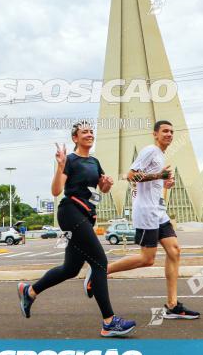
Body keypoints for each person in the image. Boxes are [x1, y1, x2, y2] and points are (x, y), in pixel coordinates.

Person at [17, 121, 137, 337]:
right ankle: (109, 322)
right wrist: (61, 167)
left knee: (70, 269)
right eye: (84, 132)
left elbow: (101, 189)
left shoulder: (94, 161)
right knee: (100, 263)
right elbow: (55, 191)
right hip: (70, 212)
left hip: (85, 214)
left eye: (91, 131)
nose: (89, 134)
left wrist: (107, 183)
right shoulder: (70, 160)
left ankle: (30, 291)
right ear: (75, 138)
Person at [88, 120, 199, 320]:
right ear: (155, 134)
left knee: (174, 251)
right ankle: (100, 272)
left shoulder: (160, 155)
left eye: (172, 132)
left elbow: (151, 181)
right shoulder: (150, 150)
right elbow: (130, 176)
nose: (169, 134)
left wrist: (165, 182)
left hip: (159, 211)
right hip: (147, 212)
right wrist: (159, 174)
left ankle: (172, 306)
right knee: (147, 259)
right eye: (165, 131)